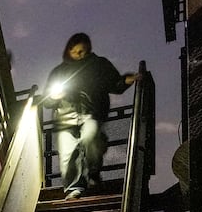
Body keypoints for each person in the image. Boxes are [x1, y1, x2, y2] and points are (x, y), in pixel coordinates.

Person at [44, 33, 135, 198]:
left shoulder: (98, 64)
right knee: (68, 154)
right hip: (64, 117)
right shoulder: (59, 71)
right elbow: (47, 99)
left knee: (90, 138)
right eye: (76, 51)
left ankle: (93, 172)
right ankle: (74, 189)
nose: (80, 55)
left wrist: (128, 80)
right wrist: (53, 97)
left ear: (89, 50)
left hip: (91, 113)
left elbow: (115, 84)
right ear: (69, 50)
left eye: (83, 51)